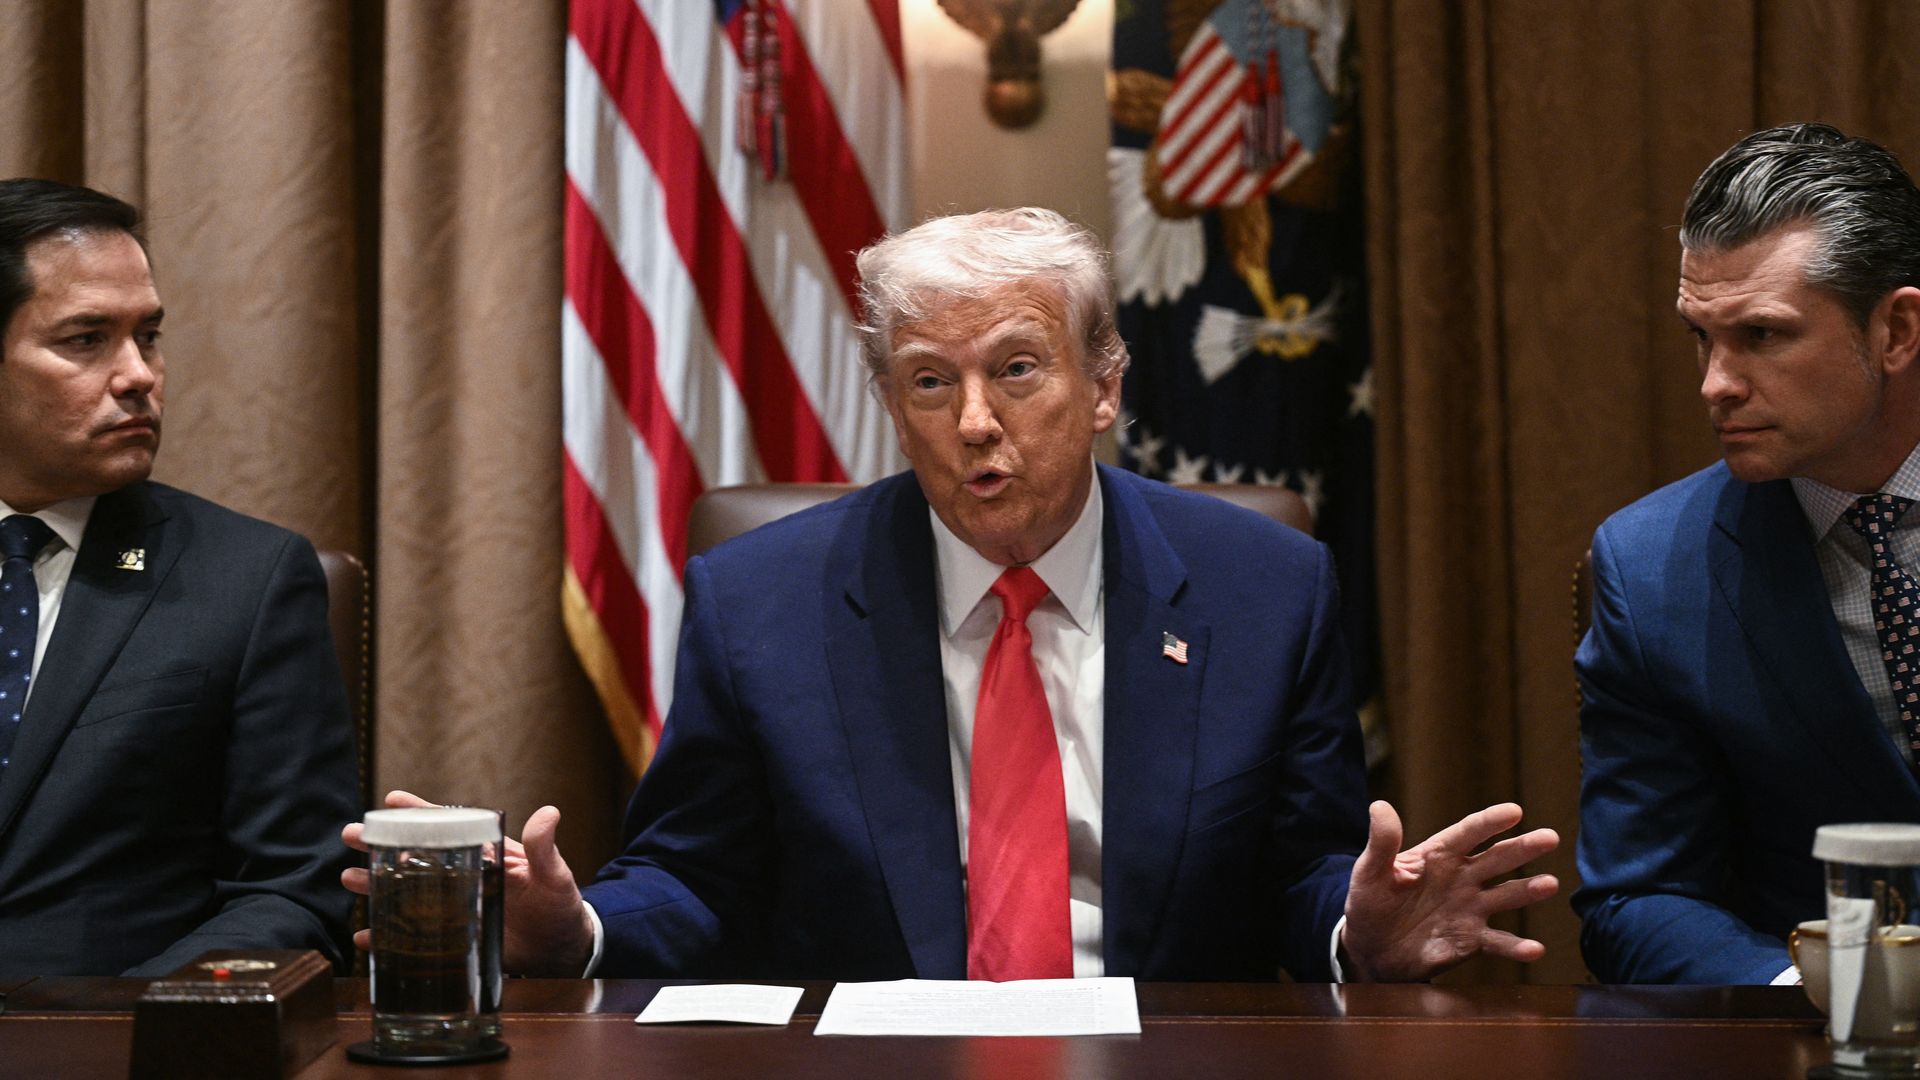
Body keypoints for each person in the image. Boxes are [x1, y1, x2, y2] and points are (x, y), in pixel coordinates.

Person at [349, 207, 1558, 982]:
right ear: (891, 404)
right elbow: (700, 878)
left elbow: (1300, 875)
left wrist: (1361, 932)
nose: (975, 423)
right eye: (930, 382)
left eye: (1017, 369)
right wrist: (579, 933)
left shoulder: (1264, 586)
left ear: (1103, 388)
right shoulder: (757, 598)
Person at [1576, 123, 1920, 984]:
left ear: (1897, 331)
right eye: (1702, 335)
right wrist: (1814, 994)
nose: (1715, 383)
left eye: (1762, 336)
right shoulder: (1653, 569)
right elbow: (1639, 897)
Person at [0, 179, 358, 978]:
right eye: (86, 339)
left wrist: (134, 1024)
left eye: (149, 336)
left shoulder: (246, 580)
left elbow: (295, 892)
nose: (139, 375)